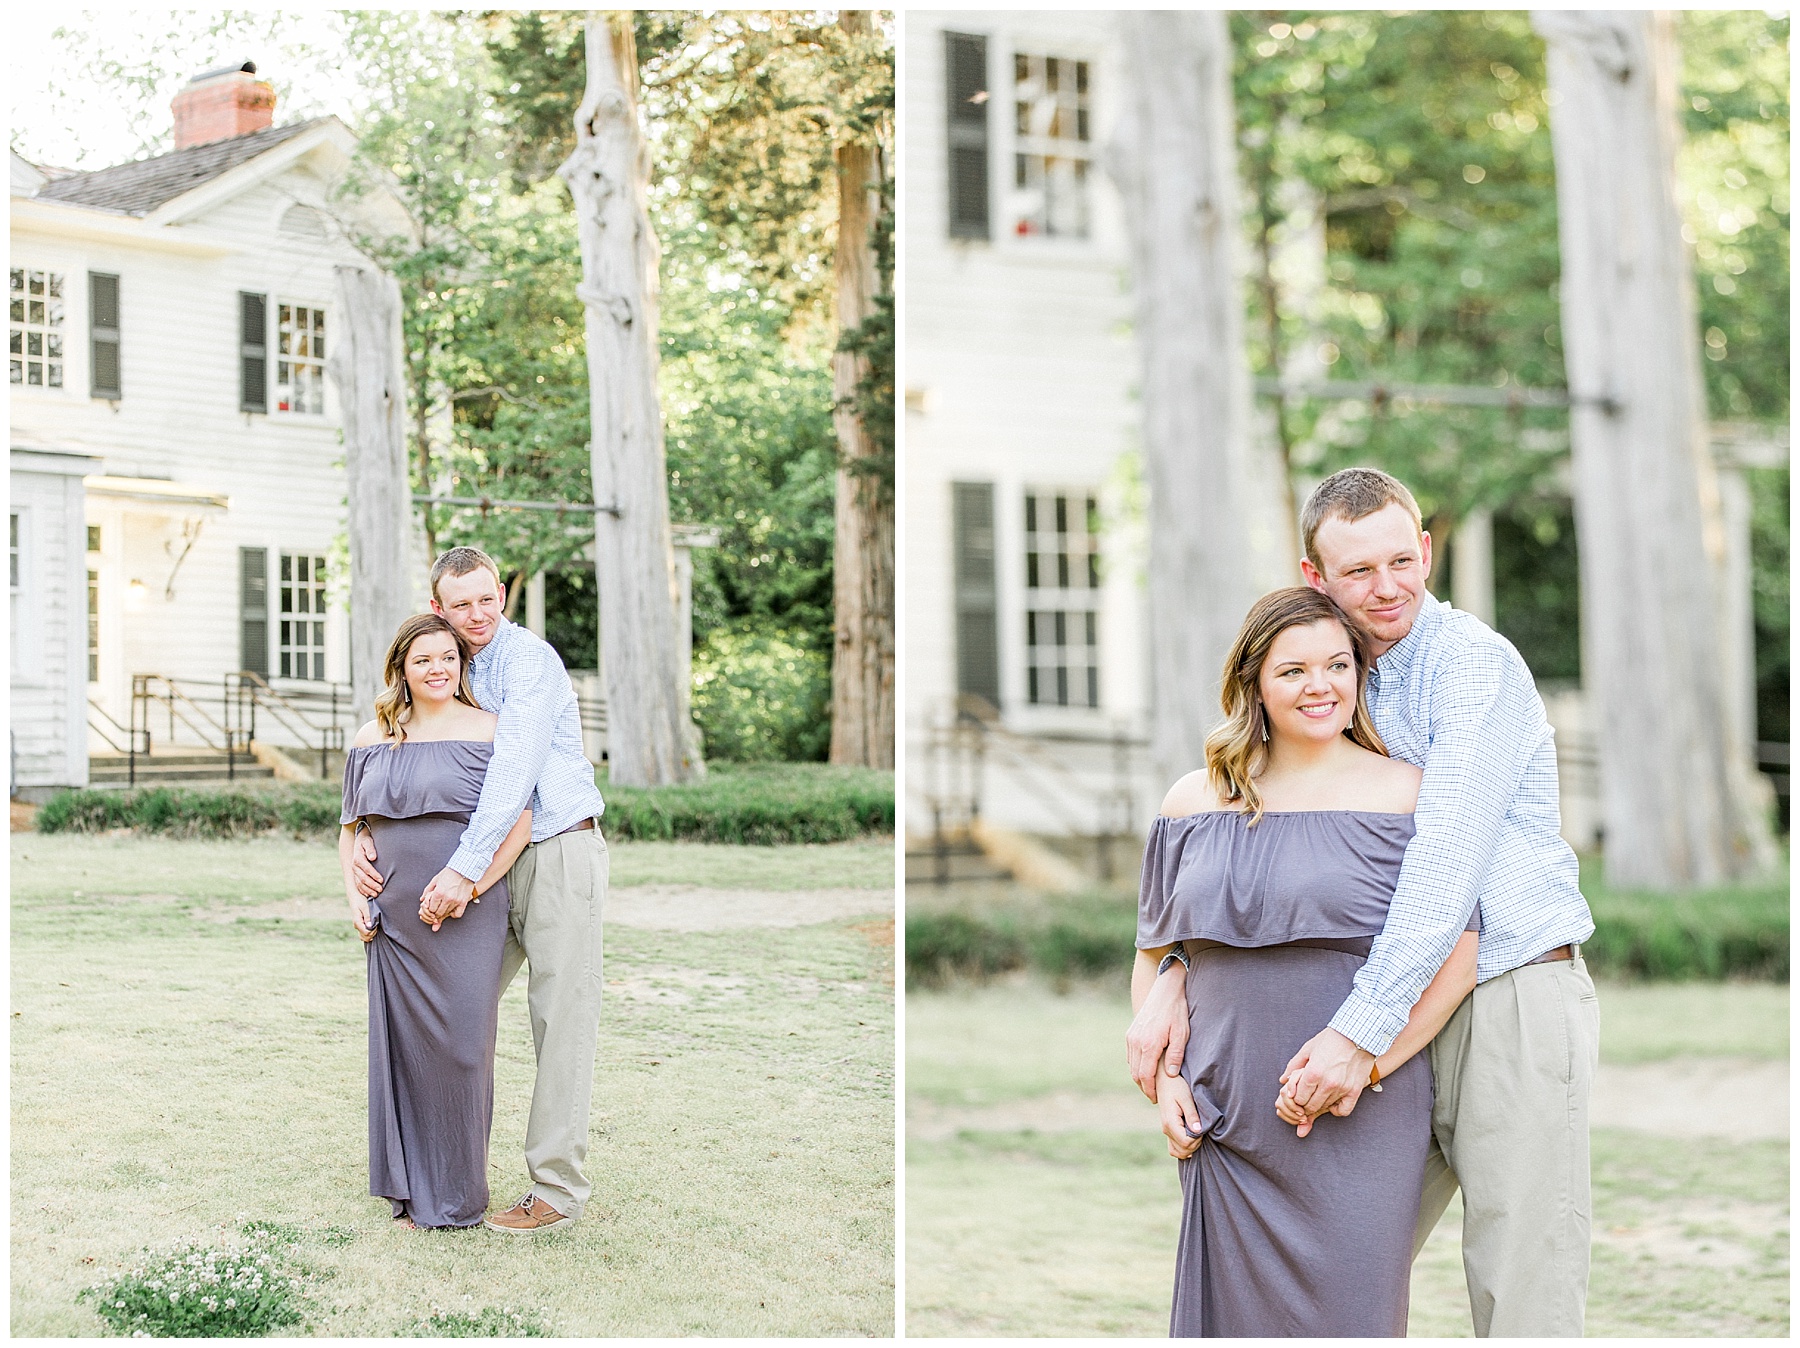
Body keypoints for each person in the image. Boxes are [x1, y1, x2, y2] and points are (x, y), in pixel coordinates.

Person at [1129, 467, 1598, 1337]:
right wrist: (1177, 966)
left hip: (1504, 995)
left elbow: (1443, 869)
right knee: (1327, 1268)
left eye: (1400, 560)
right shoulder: (1337, 671)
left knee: (1520, 1278)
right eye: (1357, 572)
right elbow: (1283, 860)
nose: (1386, 588)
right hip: (1386, 1007)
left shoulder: (1473, 668)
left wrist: (1358, 1036)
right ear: (1317, 577)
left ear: (1425, 549)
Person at [1137, 585, 1480, 1335]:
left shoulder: (1407, 794)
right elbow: (1159, 952)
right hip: (1224, 1113)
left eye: (1337, 665)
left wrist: (1369, 1062)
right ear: (1254, 680)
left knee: (1352, 1318)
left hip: (1360, 1112)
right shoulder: (1192, 801)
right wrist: (1165, 1083)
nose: (1319, 686)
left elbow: (1456, 959)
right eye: (1293, 670)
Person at [348, 546, 608, 1235]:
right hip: (483, 858)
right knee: (441, 1017)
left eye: (486, 599)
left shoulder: (528, 662)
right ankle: (428, 1180)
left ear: (502, 595)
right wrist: (367, 836)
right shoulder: (453, 666)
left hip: (553, 847)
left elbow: (515, 770)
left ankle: (555, 1191)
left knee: (560, 1019)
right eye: (460, 604)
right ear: (439, 608)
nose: (476, 614)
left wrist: (463, 869)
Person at [340, 612, 533, 1229]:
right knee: (403, 1051)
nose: (437, 669)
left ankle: (456, 1195)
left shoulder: (491, 730)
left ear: (461, 663)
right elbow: (349, 833)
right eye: (422, 659)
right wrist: (356, 896)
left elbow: (519, 824)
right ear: (401, 667)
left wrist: (471, 884)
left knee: (462, 1050)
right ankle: (409, 1192)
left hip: (467, 913)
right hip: (392, 917)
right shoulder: (372, 737)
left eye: (448, 657)